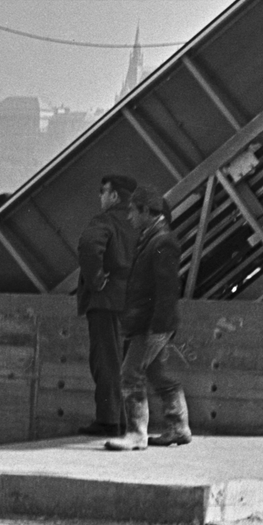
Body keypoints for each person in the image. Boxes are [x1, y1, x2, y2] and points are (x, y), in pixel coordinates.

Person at [106, 187, 192, 451]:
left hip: (152, 325)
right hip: (150, 324)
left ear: (146, 211)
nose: (130, 216)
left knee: (130, 374)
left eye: (133, 210)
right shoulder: (151, 238)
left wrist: (158, 329)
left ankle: (136, 435)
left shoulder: (161, 242)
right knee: (157, 375)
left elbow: (167, 291)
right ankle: (178, 428)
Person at [75, 172, 137, 437]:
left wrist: (96, 279)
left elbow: (88, 246)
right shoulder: (140, 223)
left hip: (107, 300)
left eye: (103, 191)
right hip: (134, 301)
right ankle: (127, 420)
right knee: (129, 363)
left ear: (114, 196)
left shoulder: (106, 220)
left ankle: (109, 420)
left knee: (105, 361)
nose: (100, 196)